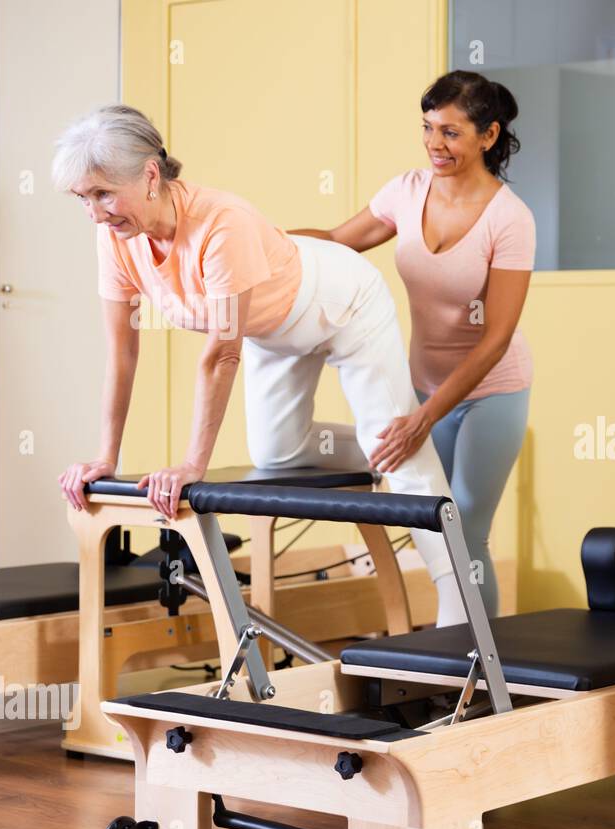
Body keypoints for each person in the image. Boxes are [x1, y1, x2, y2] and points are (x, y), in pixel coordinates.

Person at [52, 104, 467, 627]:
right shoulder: (116, 237)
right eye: (82, 198)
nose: (94, 212)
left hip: (341, 302)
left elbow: (222, 353)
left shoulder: (220, 223)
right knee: (278, 451)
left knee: (395, 448)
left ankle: (458, 605)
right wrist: (104, 457)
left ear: (150, 175)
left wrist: (190, 467)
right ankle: (398, 438)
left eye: (103, 193)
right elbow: (123, 351)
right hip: (271, 327)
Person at [291, 71, 534, 617]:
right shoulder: (406, 191)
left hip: (490, 394)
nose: (433, 144)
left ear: (488, 137)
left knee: (465, 528)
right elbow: (334, 242)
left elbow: (495, 340)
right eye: (427, 128)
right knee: (430, 528)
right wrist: (267, 240)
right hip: (424, 386)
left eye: (450, 132)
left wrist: (422, 420)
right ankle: (448, 668)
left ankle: (485, 682)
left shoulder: (510, 220)